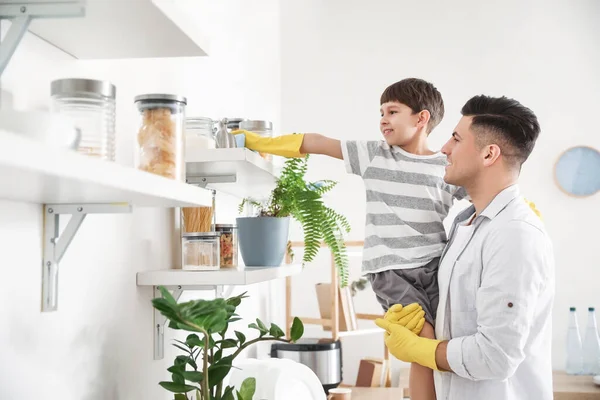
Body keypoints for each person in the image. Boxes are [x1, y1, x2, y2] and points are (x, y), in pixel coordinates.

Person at [234, 77, 466, 400]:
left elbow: (481, 195)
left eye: (392, 111)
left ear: (421, 118)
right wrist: (261, 143)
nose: (383, 119)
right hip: (392, 269)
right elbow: (318, 142)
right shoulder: (376, 154)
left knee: (445, 341)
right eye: (381, 111)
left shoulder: (446, 167)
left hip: (434, 267)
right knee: (423, 341)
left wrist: (516, 208)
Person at [376, 95, 554, 400]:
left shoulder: (514, 234)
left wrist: (422, 350)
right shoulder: (465, 224)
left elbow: (496, 356)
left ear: (489, 154)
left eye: (456, 139)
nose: (444, 148)